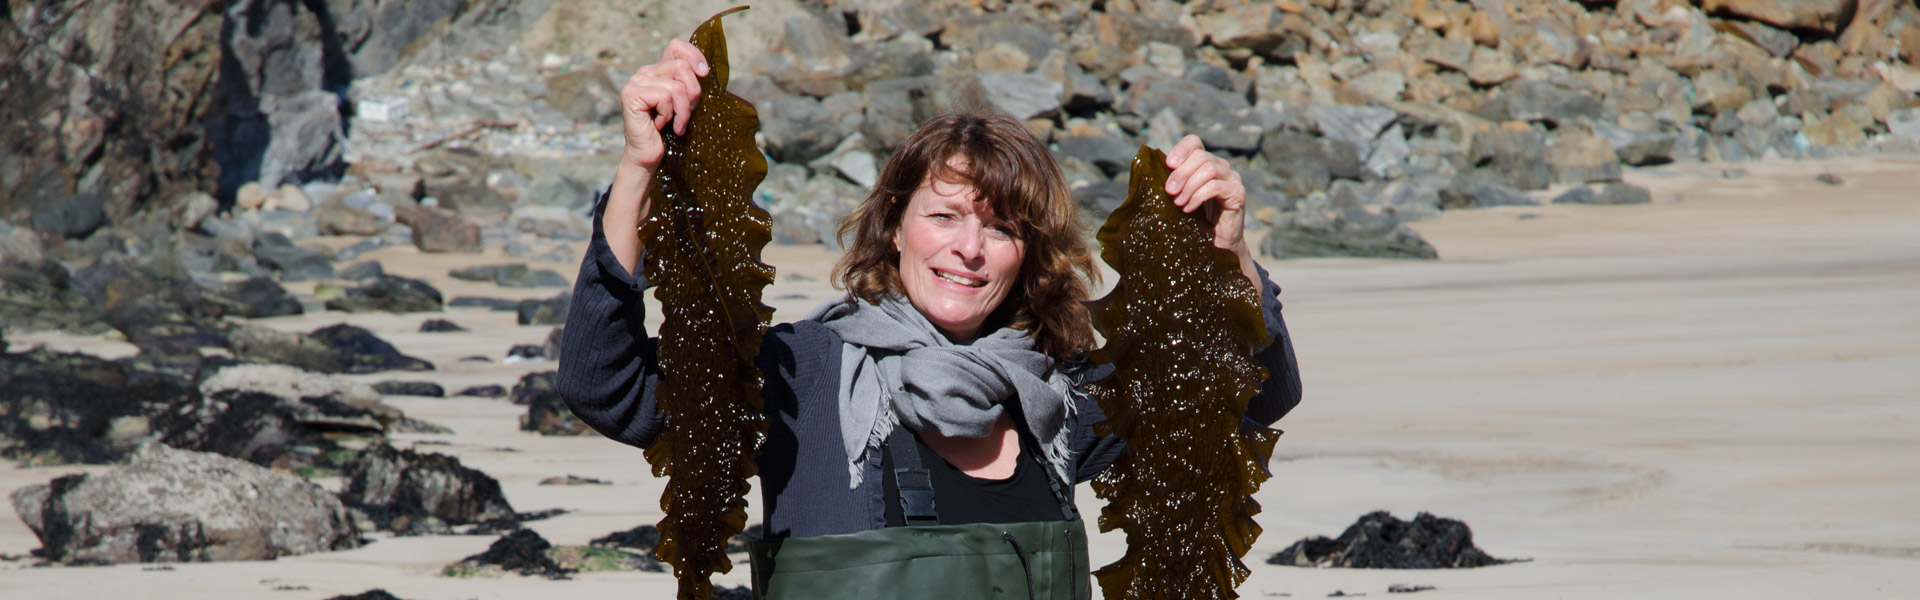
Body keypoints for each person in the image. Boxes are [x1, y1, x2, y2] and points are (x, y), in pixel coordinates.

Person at [558, 39, 1302, 598]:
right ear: (893, 227)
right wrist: (637, 174)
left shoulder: (1065, 399)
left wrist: (1228, 257)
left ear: (1031, 253)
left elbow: (1255, 396)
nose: (968, 250)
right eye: (943, 216)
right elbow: (606, 387)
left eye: (1003, 228)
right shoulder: (804, 373)